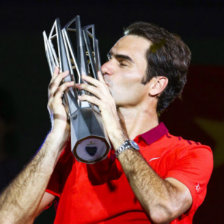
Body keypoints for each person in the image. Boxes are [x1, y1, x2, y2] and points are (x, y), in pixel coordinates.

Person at [0, 22, 213, 224]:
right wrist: (58, 132)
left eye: (123, 63)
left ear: (156, 85)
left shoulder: (189, 153)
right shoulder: (75, 150)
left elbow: (162, 209)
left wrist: (116, 133)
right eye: (109, 58)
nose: (104, 68)